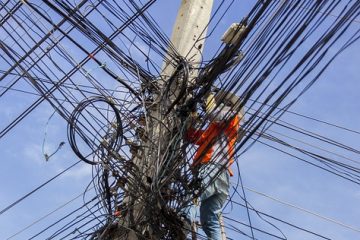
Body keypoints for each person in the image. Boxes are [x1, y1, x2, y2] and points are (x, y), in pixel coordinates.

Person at [184, 90, 243, 239]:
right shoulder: (215, 130)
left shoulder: (232, 118)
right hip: (221, 179)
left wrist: (208, 98)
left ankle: (182, 221)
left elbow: (215, 114)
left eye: (224, 104)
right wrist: (191, 116)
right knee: (209, 219)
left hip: (213, 168)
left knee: (193, 194)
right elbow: (192, 136)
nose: (221, 106)